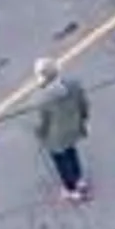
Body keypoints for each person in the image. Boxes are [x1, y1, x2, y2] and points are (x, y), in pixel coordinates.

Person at [32, 60, 90, 204]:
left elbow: (42, 123)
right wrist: (83, 119)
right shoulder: (74, 85)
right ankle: (79, 179)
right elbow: (84, 104)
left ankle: (71, 189)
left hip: (56, 136)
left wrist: (39, 134)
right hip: (73, 128)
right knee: (72, 151)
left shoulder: (43, 98)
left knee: (61, 161)